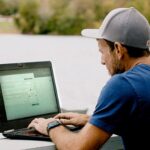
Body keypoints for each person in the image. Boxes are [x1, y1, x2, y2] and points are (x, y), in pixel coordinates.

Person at [28, 7, 150, 150]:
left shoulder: (123, 84)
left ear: (118, 49)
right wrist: (92, 120)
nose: (102, 61)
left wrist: (50, 125)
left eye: (102, 51)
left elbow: (78, 148)